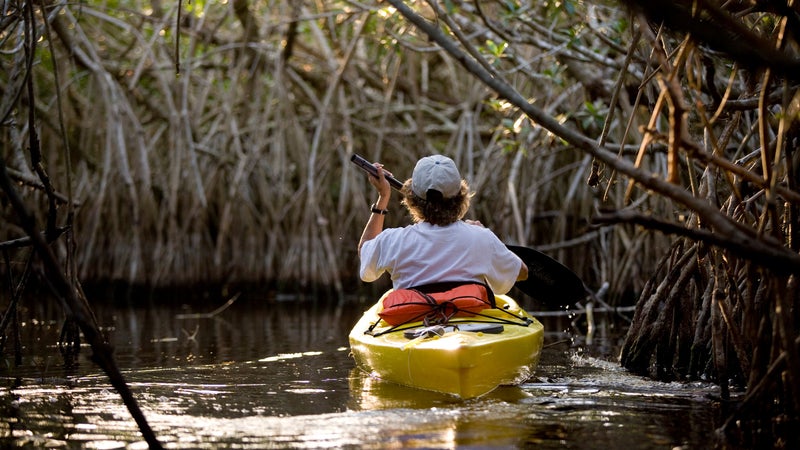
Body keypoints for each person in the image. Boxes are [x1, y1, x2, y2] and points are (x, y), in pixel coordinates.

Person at [358, 154, 528, 295]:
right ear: (461, 196)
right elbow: (521, 272)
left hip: (414, 329)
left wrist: (383, 196)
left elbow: (365, 253)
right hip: (469, 330)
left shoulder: (394, 240)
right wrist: (484, 233)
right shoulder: (482, 237)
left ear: (411, 198)